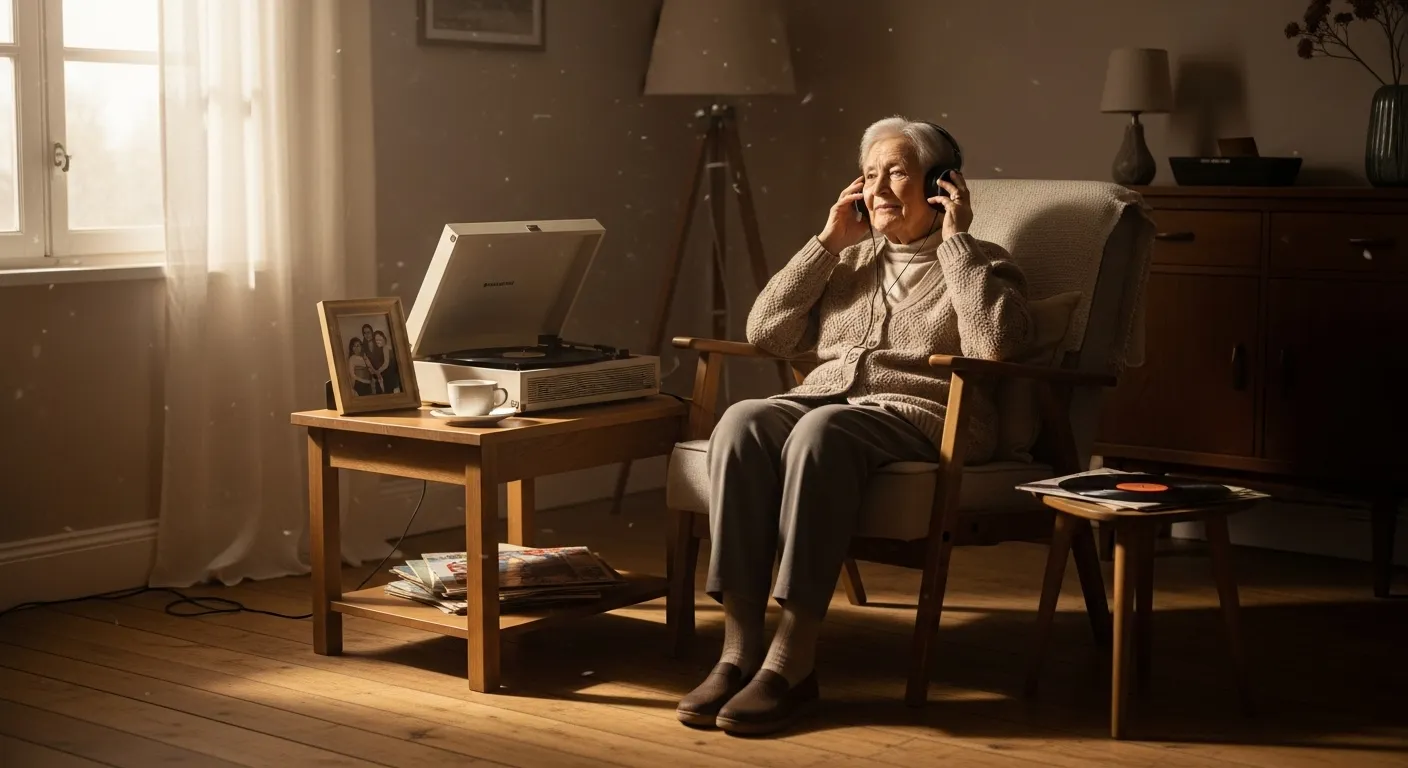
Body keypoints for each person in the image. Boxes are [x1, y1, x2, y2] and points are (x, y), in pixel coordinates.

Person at [676, 116, 1032, 735]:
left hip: (922, 413)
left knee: (822, 431)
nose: (879, 189)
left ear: (940, 184)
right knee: (742, 421)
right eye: (869, 175)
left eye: (897, 173)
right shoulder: (849, 261)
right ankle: (737, 652)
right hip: (828, 400)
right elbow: (767, 332)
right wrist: (825, 243)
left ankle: (792, 662)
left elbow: (995, 346)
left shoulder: (984, 263)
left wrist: (957, 243)